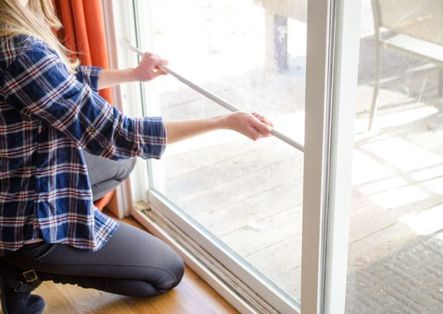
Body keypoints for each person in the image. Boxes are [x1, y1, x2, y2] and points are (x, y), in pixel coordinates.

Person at [0, 0, 274, 313]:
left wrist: (134, 74)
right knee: (167, 271)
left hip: (18, 181)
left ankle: (48, 246)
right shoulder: (18, 50)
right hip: (22, 224)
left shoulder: (15, 36)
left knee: (118, 163)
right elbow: (121, 135)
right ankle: (23, 267)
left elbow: (62, 81)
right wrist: (223, 122)